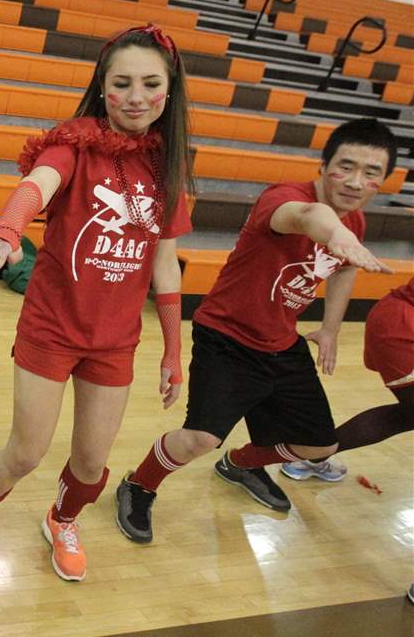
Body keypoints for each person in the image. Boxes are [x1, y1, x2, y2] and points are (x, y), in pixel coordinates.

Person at [0, 25, 194, 584]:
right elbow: (36, 184)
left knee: (90, 462)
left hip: (115, 341)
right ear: (102, 87)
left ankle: (62, 519)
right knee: (25, 453)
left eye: (150, 84)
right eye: (121, 83)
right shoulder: (74, 145)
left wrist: (174, 352)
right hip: (52, 328)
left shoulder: (168, 168)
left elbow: (165, 266)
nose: (135, 96)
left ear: (169, 90)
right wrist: (8, 229)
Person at [115, 118, 396, 544]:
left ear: (383, 180)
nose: (357, 182)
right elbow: (308, 216)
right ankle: (139, 484)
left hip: (281, 344)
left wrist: (331, 329)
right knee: (199, 439)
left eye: (371, 173)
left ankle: (241, 464)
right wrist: (338, 233)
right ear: (323, 166)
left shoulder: (353, 222)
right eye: (346, 167)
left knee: (319, 448)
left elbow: (343, 271)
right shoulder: (284, 199)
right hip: (226, 337)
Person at [280, 274, 411, 481]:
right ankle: (308, 455)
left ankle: (312, 454)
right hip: (404, 324)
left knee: (409, 414)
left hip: (398, 316)